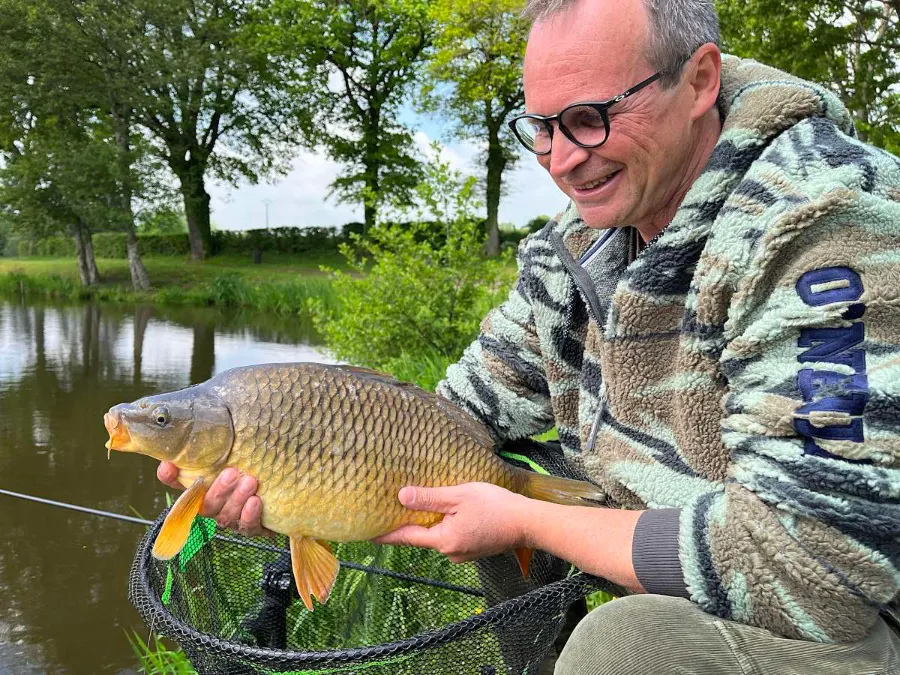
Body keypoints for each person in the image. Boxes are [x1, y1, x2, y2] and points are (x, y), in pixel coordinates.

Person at [159, 0, 900, 671]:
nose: (562, 160)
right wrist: (296, 466)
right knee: (491, 463)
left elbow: (815, 576)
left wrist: (524, 516)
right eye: (541, 128)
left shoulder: (823, 228)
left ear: (700, 79)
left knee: (622, 646)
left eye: (588, 118)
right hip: (688, 536)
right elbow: (457, 413)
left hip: (854, 618)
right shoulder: (578, 243)